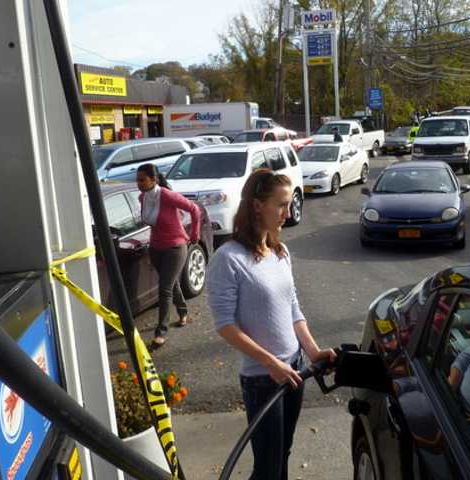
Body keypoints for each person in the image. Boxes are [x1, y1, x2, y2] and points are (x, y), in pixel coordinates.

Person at [207, 169, 337, 480]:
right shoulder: (229, 258)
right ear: (256, 205)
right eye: (280, 205)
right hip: (263, 381)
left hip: (295, 369)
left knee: (283, 455)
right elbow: (225, 325)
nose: (288, 213)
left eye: (290, 204)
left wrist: (314, 351)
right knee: (266, 468)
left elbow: (293, 308)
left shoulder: (280, 252)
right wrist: (269, 363)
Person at [136, 163, 201, 348]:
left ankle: (161, 331)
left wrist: (194, 234)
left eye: (142, 180)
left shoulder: (166, 195)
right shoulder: (143, 198)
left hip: (175, 246)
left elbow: (194, 209)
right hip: (156, 247)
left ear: (153, 179)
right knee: (171, 284)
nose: (138, 184)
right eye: (137, 180)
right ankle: (183, 311)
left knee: (164, 288)